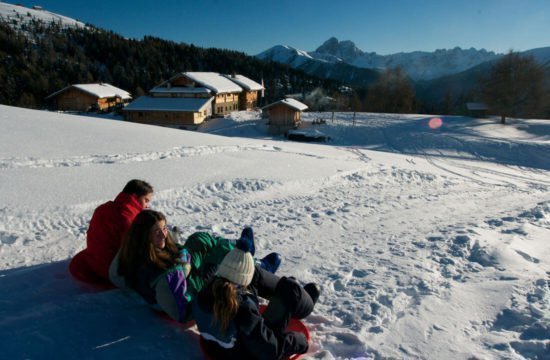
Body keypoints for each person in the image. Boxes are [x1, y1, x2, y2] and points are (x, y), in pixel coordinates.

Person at [113, 209, 281, 323]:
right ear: (144, 236)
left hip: (184, 274)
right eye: (157, 231)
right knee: (217, 262)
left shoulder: (145, 248)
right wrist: (185, 266)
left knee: (200, 239)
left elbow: (173, 251)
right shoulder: (154, 269)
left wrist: (184, 257)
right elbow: (178, 301)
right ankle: (252, 263)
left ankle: (244, 252)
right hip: (187, 292)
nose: (164, 234)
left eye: (164, 228)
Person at [194, 234, 321, 360]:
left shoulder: (204, 292)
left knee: (276, 285)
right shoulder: (244, 311)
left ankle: (290, 294)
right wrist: (299, 341)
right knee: (291, 291)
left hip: (217, 348)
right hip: (244, 354)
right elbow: (271, 351)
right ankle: (297, 300)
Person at [69, 179, 153, 284]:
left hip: (93, 262)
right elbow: (135, 251)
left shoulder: (102, 208)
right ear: (135, 196)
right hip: (111, 271)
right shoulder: (130, 218)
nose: (147, 206)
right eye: (146, 200)